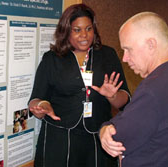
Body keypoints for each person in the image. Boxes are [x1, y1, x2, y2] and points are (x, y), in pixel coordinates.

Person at [28, 3, 130, 167]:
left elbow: (124, 100)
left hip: (97, 138)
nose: (84, 35)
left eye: (89, 29)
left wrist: (112, 96)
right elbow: (36, 99)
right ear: (66, 31)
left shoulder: (107, 55)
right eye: (77, 30)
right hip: (59, 139)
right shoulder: (52, 59)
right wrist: (42, 106)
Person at [99, 12, 168, 167]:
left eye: (128, 49)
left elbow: (116, 138)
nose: (125, 59)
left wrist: (104, 129)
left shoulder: (153, 89)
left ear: (151, 44)